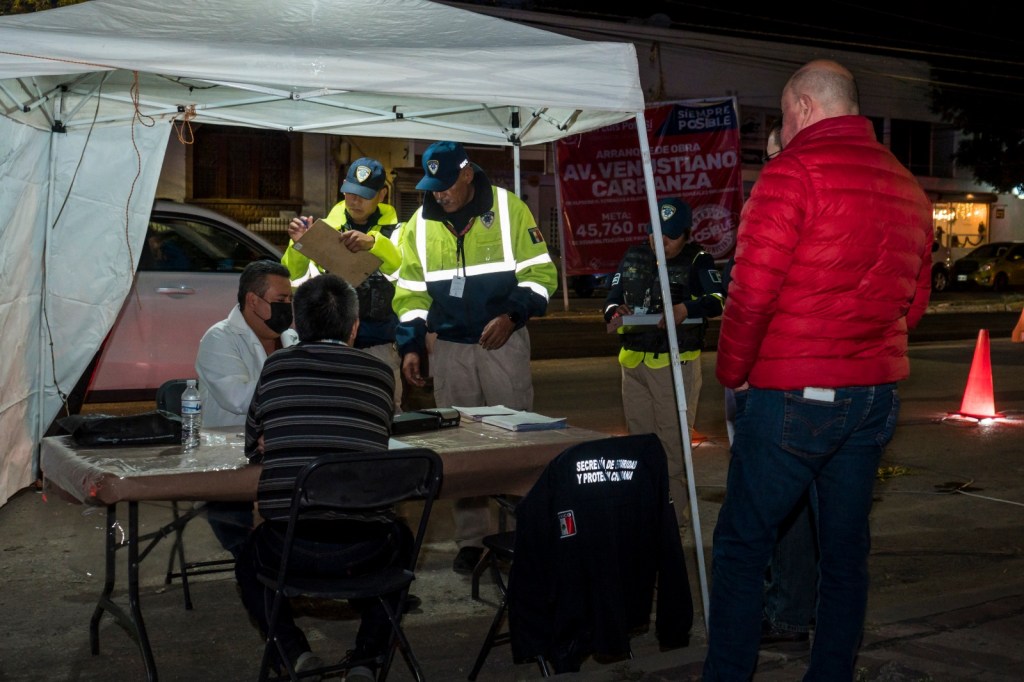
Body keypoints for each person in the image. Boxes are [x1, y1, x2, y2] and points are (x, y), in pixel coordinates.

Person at [703, 59, 933, 681]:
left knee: (743, 546)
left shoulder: (791, 174)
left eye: (783, 114)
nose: (781, 128)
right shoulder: (908, 187)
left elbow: (750, 294)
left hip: (793, 397)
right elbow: (913, 303)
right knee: (845, 554)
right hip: (873, 397)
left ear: (803, 106)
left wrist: (733, 372)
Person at [393, 140, 558, 574]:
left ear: (467, 173)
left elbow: (541, 276)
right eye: (433, 186)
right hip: (449, 348)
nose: (440, 193)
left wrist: (512, 315)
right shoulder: (418, 225)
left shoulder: (508, 209)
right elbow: (409, 293)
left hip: (503, 340)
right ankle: (472, 540)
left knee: (515, 438)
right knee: (461, 448)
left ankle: (521, 532)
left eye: (447, 183)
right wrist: (411, 345)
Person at [234, 273, 402, 680]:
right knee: (403, 541)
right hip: (365, 549)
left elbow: (252, 441)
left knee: (246, 559)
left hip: (288, 547)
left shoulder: (277, 367)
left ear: (297, 323)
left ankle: (293, 653)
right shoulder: (381, 373)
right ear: (354, 327)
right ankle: (366, 660)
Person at [602, 197, 724, 527]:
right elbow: (611, 298)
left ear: (686, 235)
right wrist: (614, 311)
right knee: (638, 443)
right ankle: (643, 510)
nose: (662, 241)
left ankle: (673, 517)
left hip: (674, 364)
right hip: (633, 363)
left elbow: (717, 300)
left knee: (672, 444)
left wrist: (688, 308)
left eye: (671, 235)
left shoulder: (698, 259)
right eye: (656, 233)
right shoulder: (634, 256)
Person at [194, 259, 298, 558]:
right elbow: (238, 398)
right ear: (253, 300)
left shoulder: (291, 338)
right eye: (281, 300)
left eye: (290, 300)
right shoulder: (219, 338)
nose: (288, 308)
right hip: (230, 451)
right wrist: (295, 386)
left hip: (281, 449)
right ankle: (253, 562)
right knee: (234, 522)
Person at [283, 156, 404, 411]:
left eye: (364, 195)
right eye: (350, 192)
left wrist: (375, 244)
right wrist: (299, 245)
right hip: (328, 347)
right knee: (331, 411)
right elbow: (294, 279)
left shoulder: (398, 231)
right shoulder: (323, 229)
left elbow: (402, 272)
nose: (354, 200)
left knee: (384, 412)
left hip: (379, 345)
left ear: (382, 195)